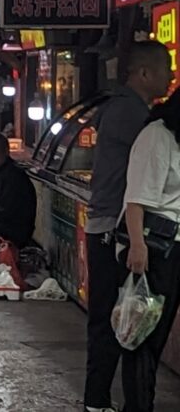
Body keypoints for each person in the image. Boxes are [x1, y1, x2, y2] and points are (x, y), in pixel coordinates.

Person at [84, 40, 173, 412]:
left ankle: (99, 397)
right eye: (166, 70)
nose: (170, 78)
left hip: (112, 224)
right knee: (113, 315)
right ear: (144, 73)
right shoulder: (134, 116)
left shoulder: (125, 108)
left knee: (117, 314)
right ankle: (97, 399)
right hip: (111, 227)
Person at [120, 89, 180, 412]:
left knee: (157, 332)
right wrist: (137, 247)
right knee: (144, 335)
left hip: (175, 247)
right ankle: (139, 407)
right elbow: (136, 200)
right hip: (156, 249)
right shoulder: (156, 137)